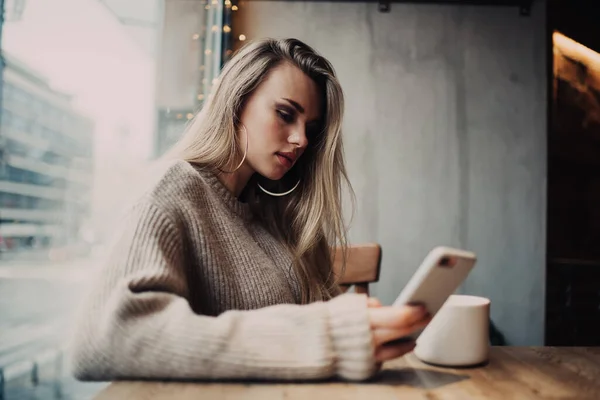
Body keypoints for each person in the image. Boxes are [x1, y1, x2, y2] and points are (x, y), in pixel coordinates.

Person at [70, 38, 431, 382]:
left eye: (311, 128)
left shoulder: (281, 215)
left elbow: (325, 323)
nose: (301, 139)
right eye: (286, 114)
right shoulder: (172, 190)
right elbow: (105, 340)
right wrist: (324, 338)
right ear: (236, 100)